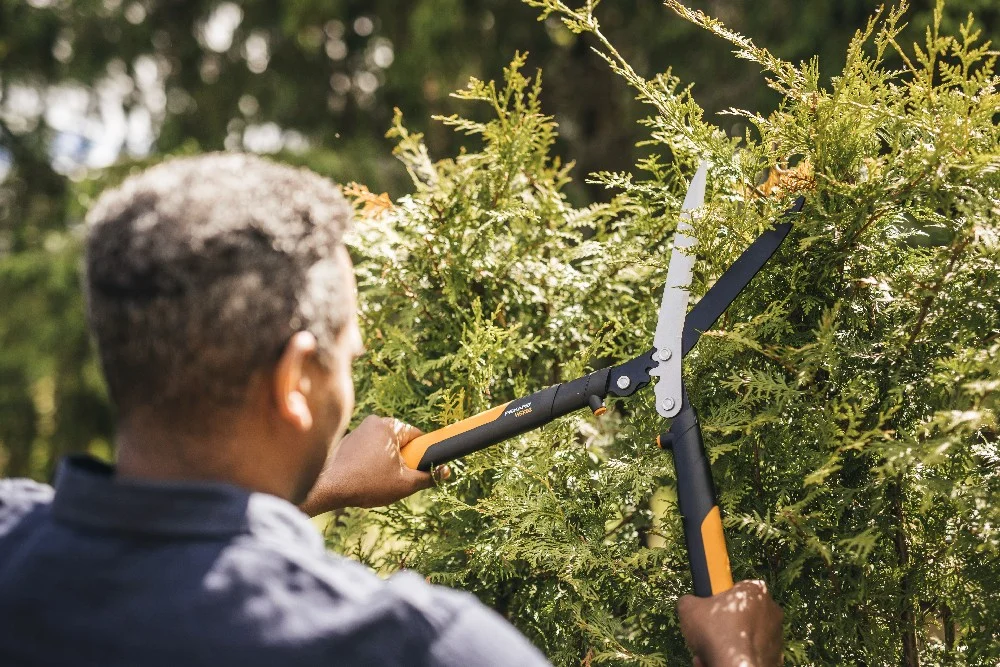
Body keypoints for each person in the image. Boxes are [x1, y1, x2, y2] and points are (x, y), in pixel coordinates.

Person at [0, 154, 782, 666]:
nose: (360, 362)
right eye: (348, 351)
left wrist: (310, 486)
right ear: (297, 379)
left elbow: (174, 544)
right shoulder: (424, 649)